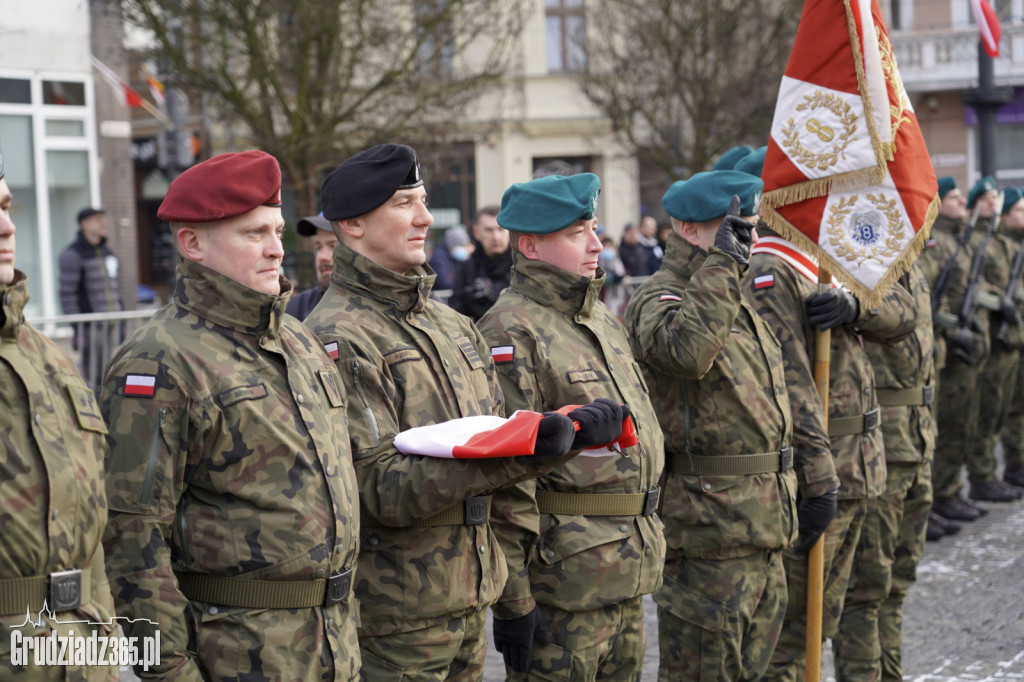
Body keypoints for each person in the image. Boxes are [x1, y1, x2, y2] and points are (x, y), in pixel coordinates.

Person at [303, 143, 622, 679]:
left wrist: (547, 442)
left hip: (470, 600)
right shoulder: (338, 337)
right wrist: (523, 451)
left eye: (422, 200)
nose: (425, 217)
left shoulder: (452, 327)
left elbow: (501, 466)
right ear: (352, 225)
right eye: (405, 203)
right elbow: (376, 489)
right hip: (395, 618)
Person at [100, 151, 363, 681]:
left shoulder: (299, 341)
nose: (275, 250)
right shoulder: (159, 361)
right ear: (192, 244)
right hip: (237, 653)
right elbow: (131, 538)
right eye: (252, 234)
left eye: (278, 230)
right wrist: (170, 670)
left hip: (333, 644)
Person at [624, 171, 837, 680]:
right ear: (687, 228)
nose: (747, 238)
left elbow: (782, 399)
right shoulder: (659, 297)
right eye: (732, 228)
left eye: (748, 227)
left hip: (764, 526)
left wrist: (813, 479)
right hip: (708, 532)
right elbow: (686, 353)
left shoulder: (737, 301)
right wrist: (721, 264)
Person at [477, 173, 665, 680]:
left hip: (623, 572)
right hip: (563, 585)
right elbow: (505, 479)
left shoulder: (596, 316)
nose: (596, 244)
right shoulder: (510, 330)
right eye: (577, 232)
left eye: (594, 228)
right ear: (531, 244)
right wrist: (514, 600)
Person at [745, 223, 916, 681]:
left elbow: (904, 313)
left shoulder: (829, 258)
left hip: (862, 464)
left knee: (851, 604)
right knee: (795, 633)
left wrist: (855, 306)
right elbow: (788, 382)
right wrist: (816, 476)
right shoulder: (771, 268)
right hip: (820, 465)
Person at [0, 140, 118, 681]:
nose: (6, 228)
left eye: (6, 208)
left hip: (81, 650)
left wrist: (110, 647)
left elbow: (90, 536)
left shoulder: (48, 358)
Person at [832, 260, 937, 681]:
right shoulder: (856, 258)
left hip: (918, 437)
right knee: (866, 588)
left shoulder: (913, 264)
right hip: (881, 447)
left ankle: (889, 674)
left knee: (898, 581)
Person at [918, 176, 992, 527]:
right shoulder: (936, 243)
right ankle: (936, 498)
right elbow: (933, 304)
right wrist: (953, 328)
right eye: (955, 196)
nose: (963, 202)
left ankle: (947, 492)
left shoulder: (958, 240)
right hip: (939, 348)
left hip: (954, 347)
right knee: (941, 429)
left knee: (961, 424)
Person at [965, 185, 1024, 502]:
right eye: (1019, 210)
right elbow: (977, 288)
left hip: (1014, 338)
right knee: (987, 415)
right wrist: (1004, 300)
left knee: (1007, 412)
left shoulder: (1006, 244)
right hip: (993, 340)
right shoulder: (981, 242)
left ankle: (1006, 469)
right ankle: (982, 476)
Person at [58, 205, 125, 390]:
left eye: (103, 219)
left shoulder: (108, 253)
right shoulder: (73, 255)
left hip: (115, 324)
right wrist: (78, 329)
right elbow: (67, 294)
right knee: (95, 376)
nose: (103, 223)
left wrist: (124, 324)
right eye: (97, 220)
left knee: (116, 371)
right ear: (84, 224)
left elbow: (116, 290)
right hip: (92, 327)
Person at [449, 205, 512, 320]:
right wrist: (468, 298)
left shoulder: (520, 266)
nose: (496, 237)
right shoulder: (467, 267)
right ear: (476, 232)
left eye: (501, 229)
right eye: (489, 230)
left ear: (509, 231)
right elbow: (454, 314)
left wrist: (496, 295)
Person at [286, 212, 336, 320]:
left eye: (334, 246)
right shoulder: (296, 307)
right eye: (319, 247)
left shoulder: (375, 307)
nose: (322, 257)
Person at [428, 223, 473, 290]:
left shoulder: (455, 258)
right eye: (463, 246)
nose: (465, 250)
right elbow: (443, 283)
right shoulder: (438, 259)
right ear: (453, 246)